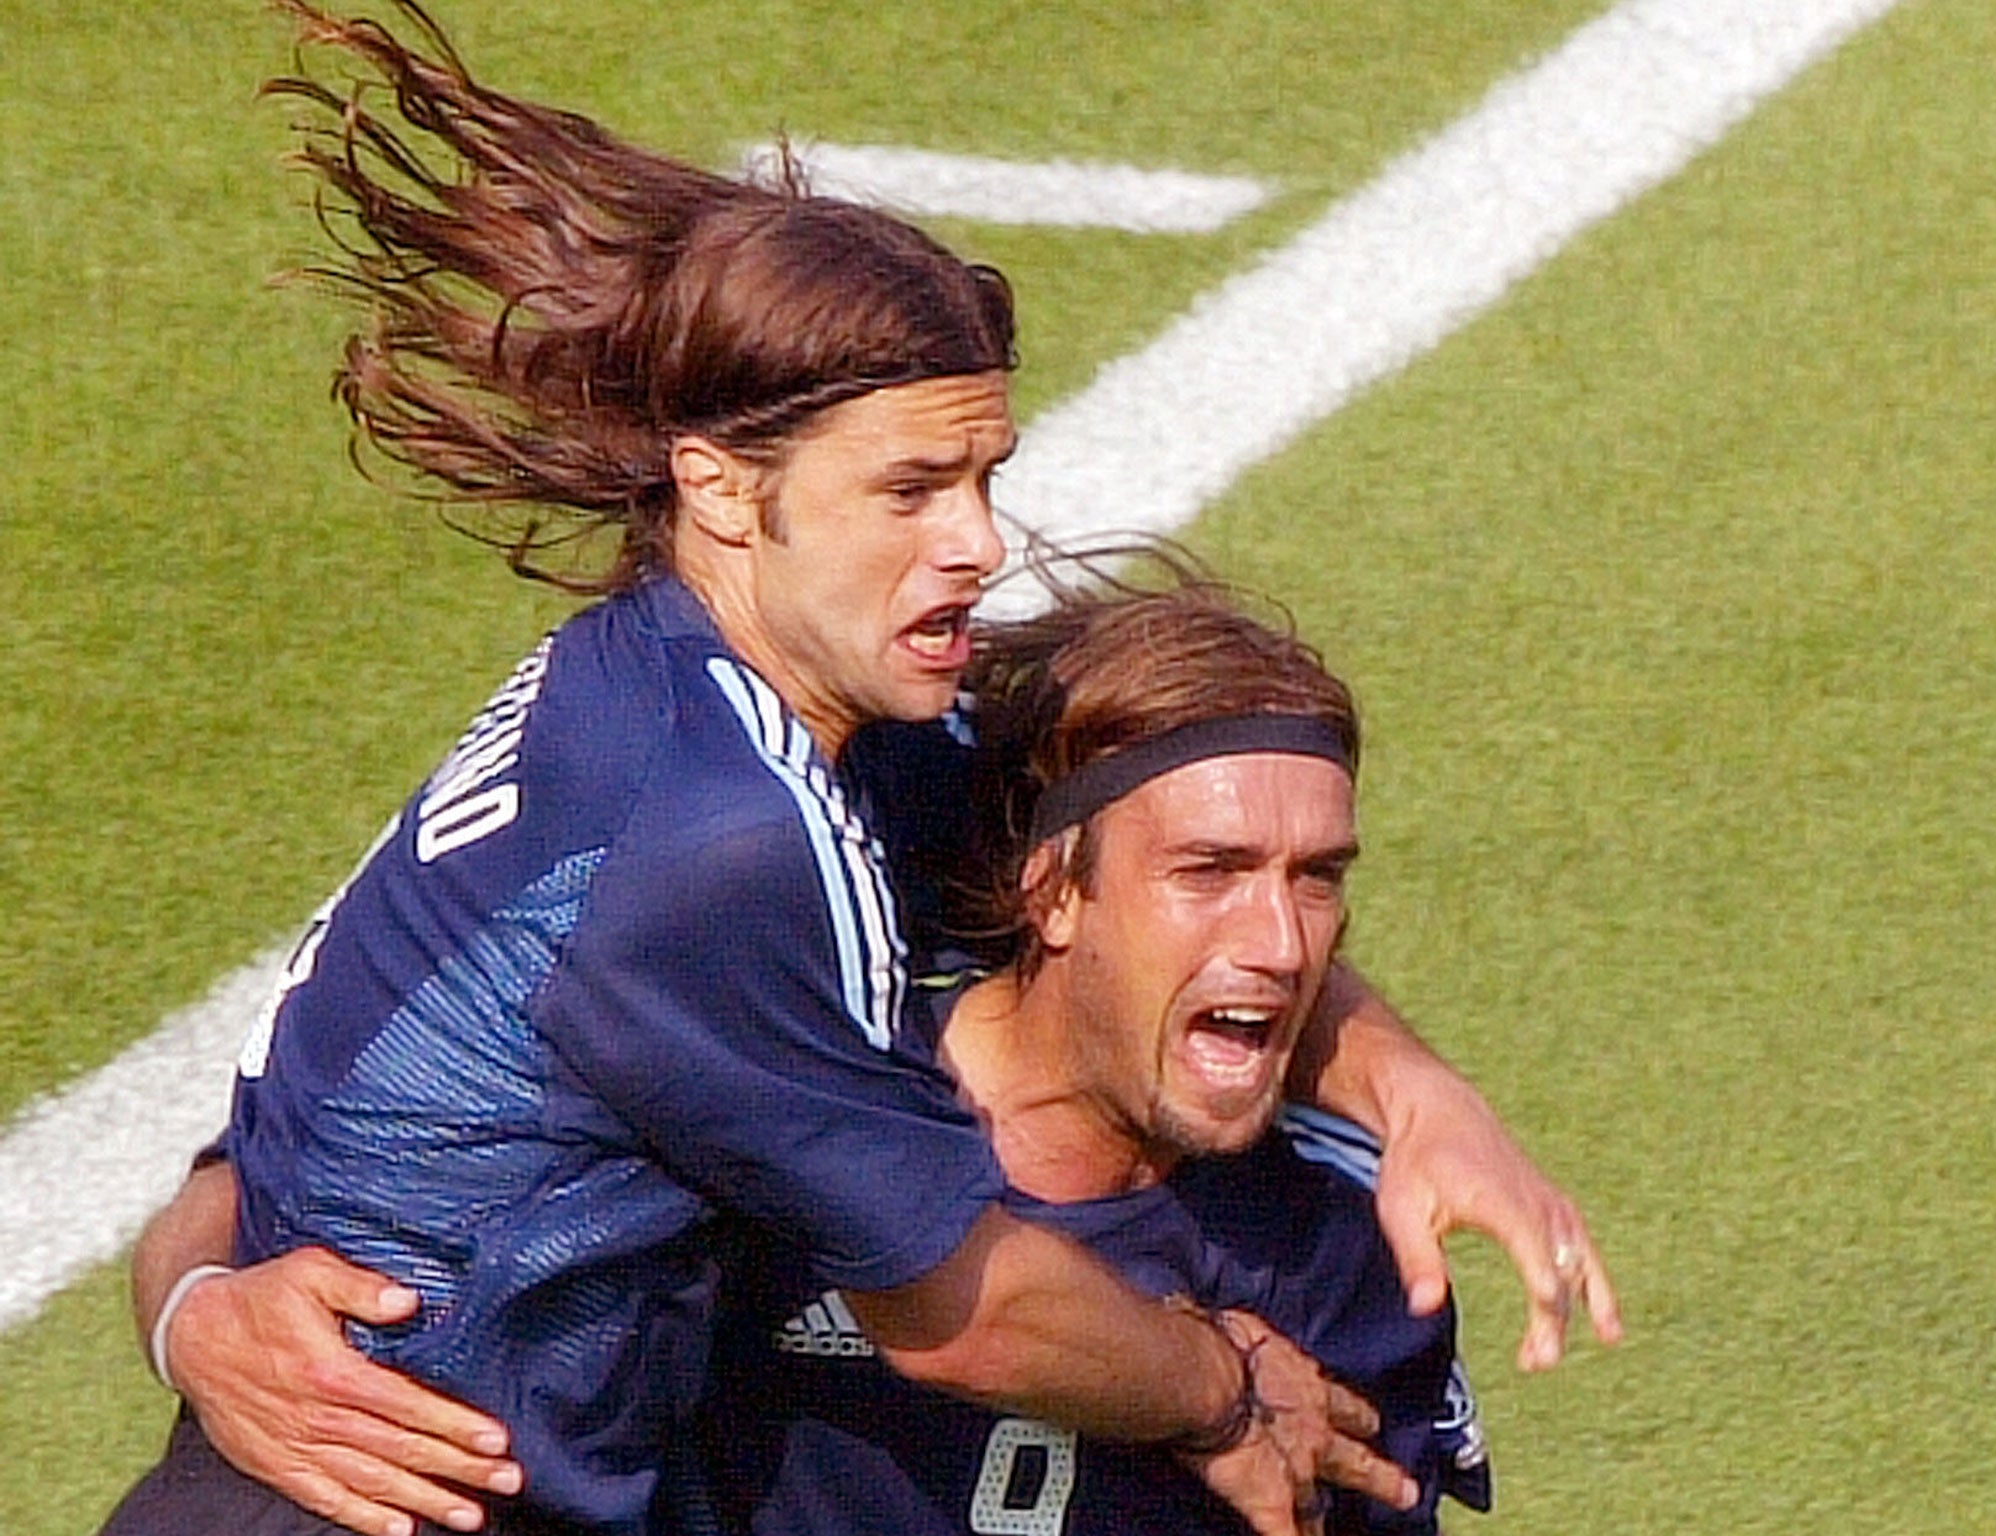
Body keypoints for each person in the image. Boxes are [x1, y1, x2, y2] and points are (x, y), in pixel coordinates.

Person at [106, 6, 1617, 1536]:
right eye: (909, 490)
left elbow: (1161, 874)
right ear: (722, 487)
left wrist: (1413, 1088)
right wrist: (1220, 1390)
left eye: (983, 480)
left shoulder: (666, 694)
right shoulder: (723, 836)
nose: (973, 542)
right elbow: (961, 1313)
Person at [697, 578, 1495, 1534]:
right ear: (1056, 893)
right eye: (1210, 871)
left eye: (1316, 878)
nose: (1282, 944)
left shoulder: (1343, 1239)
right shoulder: (785, 1119)